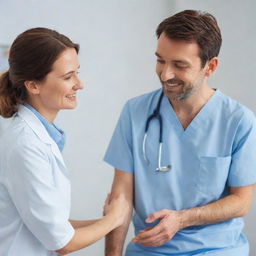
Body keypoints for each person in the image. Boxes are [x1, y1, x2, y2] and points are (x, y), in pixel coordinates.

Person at [103, 10, 256, 256]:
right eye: (161, 60)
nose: (165, 74)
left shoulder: (238, 121)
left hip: (216, 249)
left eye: (180, 65)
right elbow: (121, 198)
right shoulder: (135, 112)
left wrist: (182, 219)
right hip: (148, 250)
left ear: (210, 66)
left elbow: (241, 202)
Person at [0, 27, 128, 256]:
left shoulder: (38, 137)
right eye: (68, 77)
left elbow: (51, 223)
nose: (80, 84)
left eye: (77, 72)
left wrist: (103, 221)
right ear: (33, 85)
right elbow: (63, 243)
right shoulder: (25, 145)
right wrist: (114, 219)